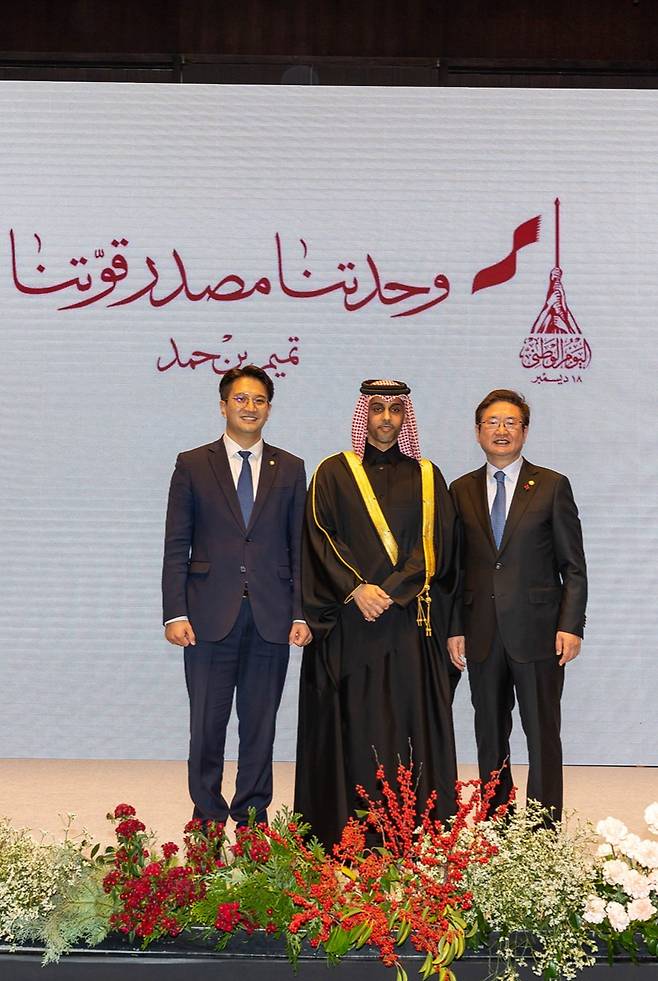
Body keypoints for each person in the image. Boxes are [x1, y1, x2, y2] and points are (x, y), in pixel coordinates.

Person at [294, 379, 460, 850]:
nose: (386, 418)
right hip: (350, 626)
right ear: (362, 415)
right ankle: (348, 839)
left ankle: (410, 837)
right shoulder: (332, 473)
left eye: (394, 410)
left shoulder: (428, 475)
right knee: (355, 727)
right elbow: (319, 538)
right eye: (377, 409)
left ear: (404, 417)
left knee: (407, 728)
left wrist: (388, 592)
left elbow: (436, 547)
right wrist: (356, 589)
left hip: (408, 626)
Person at [162, 365, 311, 826]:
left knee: (259, 728)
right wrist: (174, 612)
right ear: (224, 405)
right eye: (241, 399)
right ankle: (206, 821)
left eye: (259, 400)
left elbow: (299, 546)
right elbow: (175, 544)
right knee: (206, 727)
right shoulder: (192, 463)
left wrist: (301, 613)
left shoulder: (289, 467)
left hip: (271, 616)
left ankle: (251, 823)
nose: (250, 407)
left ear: (269, 408)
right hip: (207, 618)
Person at [447, 389, 587, 821]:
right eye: (492, 422)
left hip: (540, 633)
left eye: (511, 423)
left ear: (525, 431)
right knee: (490, 734)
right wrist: (455, 628)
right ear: (477, 431)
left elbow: (573, 565)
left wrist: (572, 625)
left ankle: (544, 832)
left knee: (543, 734)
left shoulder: (551, 485)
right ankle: (497, 823)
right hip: (482, 632)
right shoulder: (459, 489)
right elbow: (453, 570)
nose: (501, 430)